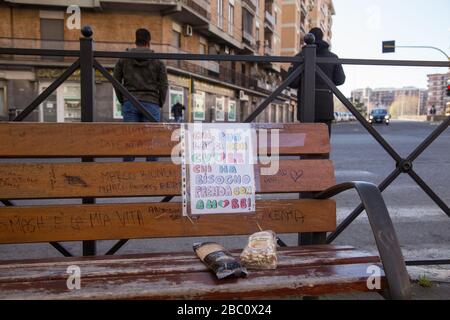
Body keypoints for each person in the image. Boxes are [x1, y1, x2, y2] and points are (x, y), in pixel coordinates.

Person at [114, 28, 168, 161]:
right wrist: (159, 102)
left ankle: (128, 176)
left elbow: (115, 81)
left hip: (130, 102)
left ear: (135, 41)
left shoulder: (124, 60)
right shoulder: (158, 62)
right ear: (149, 42)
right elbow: (163, 85)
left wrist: (123, 99)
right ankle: (151, 175)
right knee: (152, 143)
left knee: (130, 143)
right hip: (151, 103)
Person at [288, 27, 346, 136]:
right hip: (325, 109)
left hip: (305, 108)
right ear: (323, 37)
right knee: (323, 144)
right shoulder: (333, 57)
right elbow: (340, 80)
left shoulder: (300, 56)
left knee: (306, 143)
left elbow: (292, 82)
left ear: (308, 38)